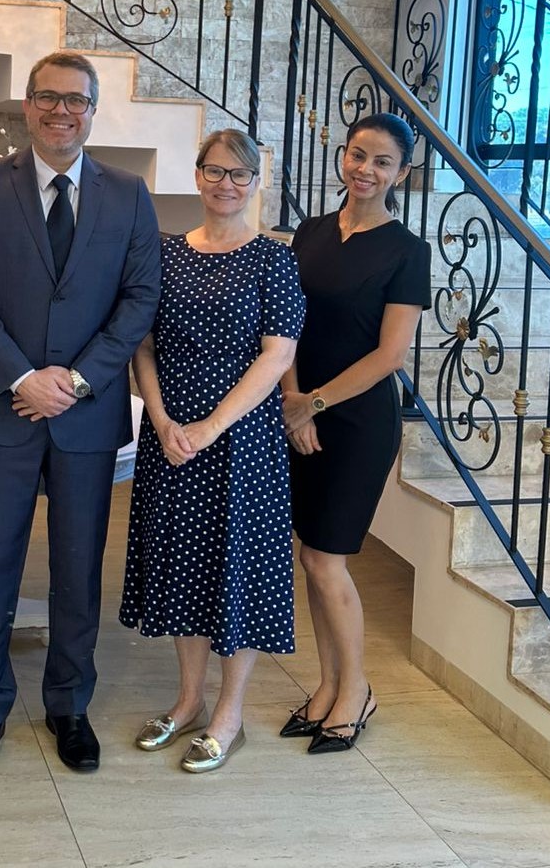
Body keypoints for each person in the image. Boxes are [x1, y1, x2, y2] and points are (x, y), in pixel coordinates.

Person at [0, 50, 161, 781]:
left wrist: (76, 379)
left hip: (86, 414)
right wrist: (22, 377)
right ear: (27, 105)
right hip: (2, 408)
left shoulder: (129, 194)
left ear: (93, 110)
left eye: (76, 100)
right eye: (47, 98)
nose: (61, 111)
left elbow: (139, 299)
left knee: (78, 567)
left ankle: (69, 704)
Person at [120, 128, 304, 773]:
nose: (226, 183)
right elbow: (142, 345)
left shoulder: (274, 259)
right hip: (170, 437)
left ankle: (230, 713)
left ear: (255, 183)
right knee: (181, 567)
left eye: (240, 174)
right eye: (215, 171)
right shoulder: (165, 253)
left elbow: (277, 356)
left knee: (236, 570)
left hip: (242, 442)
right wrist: (162, 418)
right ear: (197, 175)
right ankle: (189, 700)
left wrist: (210, 427)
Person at [280, 112, 432, 754]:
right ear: (343, 155)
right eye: (357, 155)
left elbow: (389, 355)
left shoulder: (407, 251)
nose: (365, 169)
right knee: (310, 556)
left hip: (358, 420)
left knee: (326, 558)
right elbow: (283, 324)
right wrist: (292, 401)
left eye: (382, 162)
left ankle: (358, 690)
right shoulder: (310, 232)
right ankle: (327, 686)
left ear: (401, 174)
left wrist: (312, 404)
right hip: (299, 410)